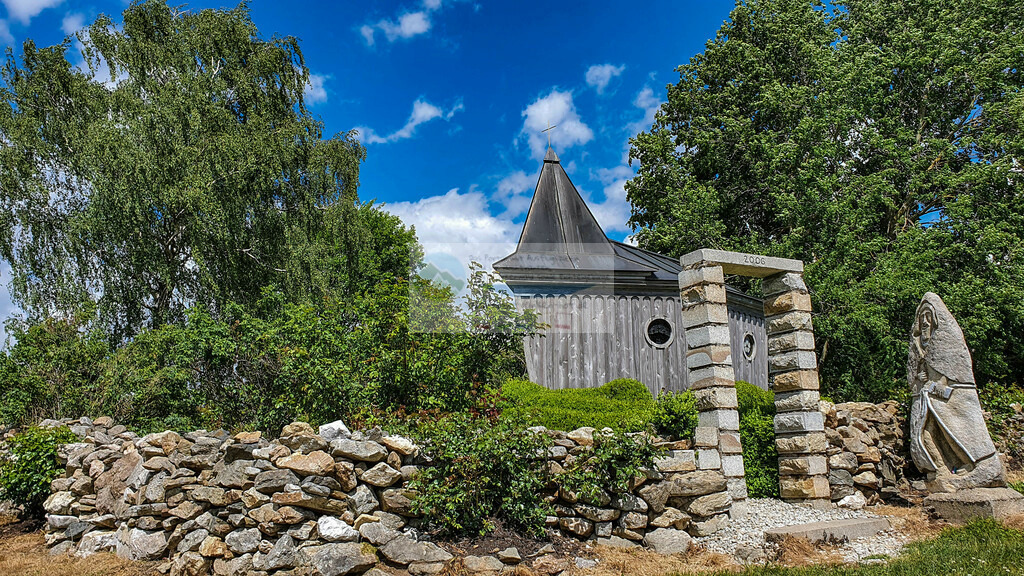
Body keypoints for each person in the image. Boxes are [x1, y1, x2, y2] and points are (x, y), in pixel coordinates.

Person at [907, 293, 1005, 492]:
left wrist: (939, 384)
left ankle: (979, 465)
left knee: (957, 434)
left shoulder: (946, 344)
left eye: (929, 317)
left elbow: (954, 376)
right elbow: (914, 376)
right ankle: (941, 470)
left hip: (951, 403)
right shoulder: (919, 347)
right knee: (924, 436)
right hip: (927, 403)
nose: (925, 322)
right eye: (922, 318)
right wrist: (920, 379)